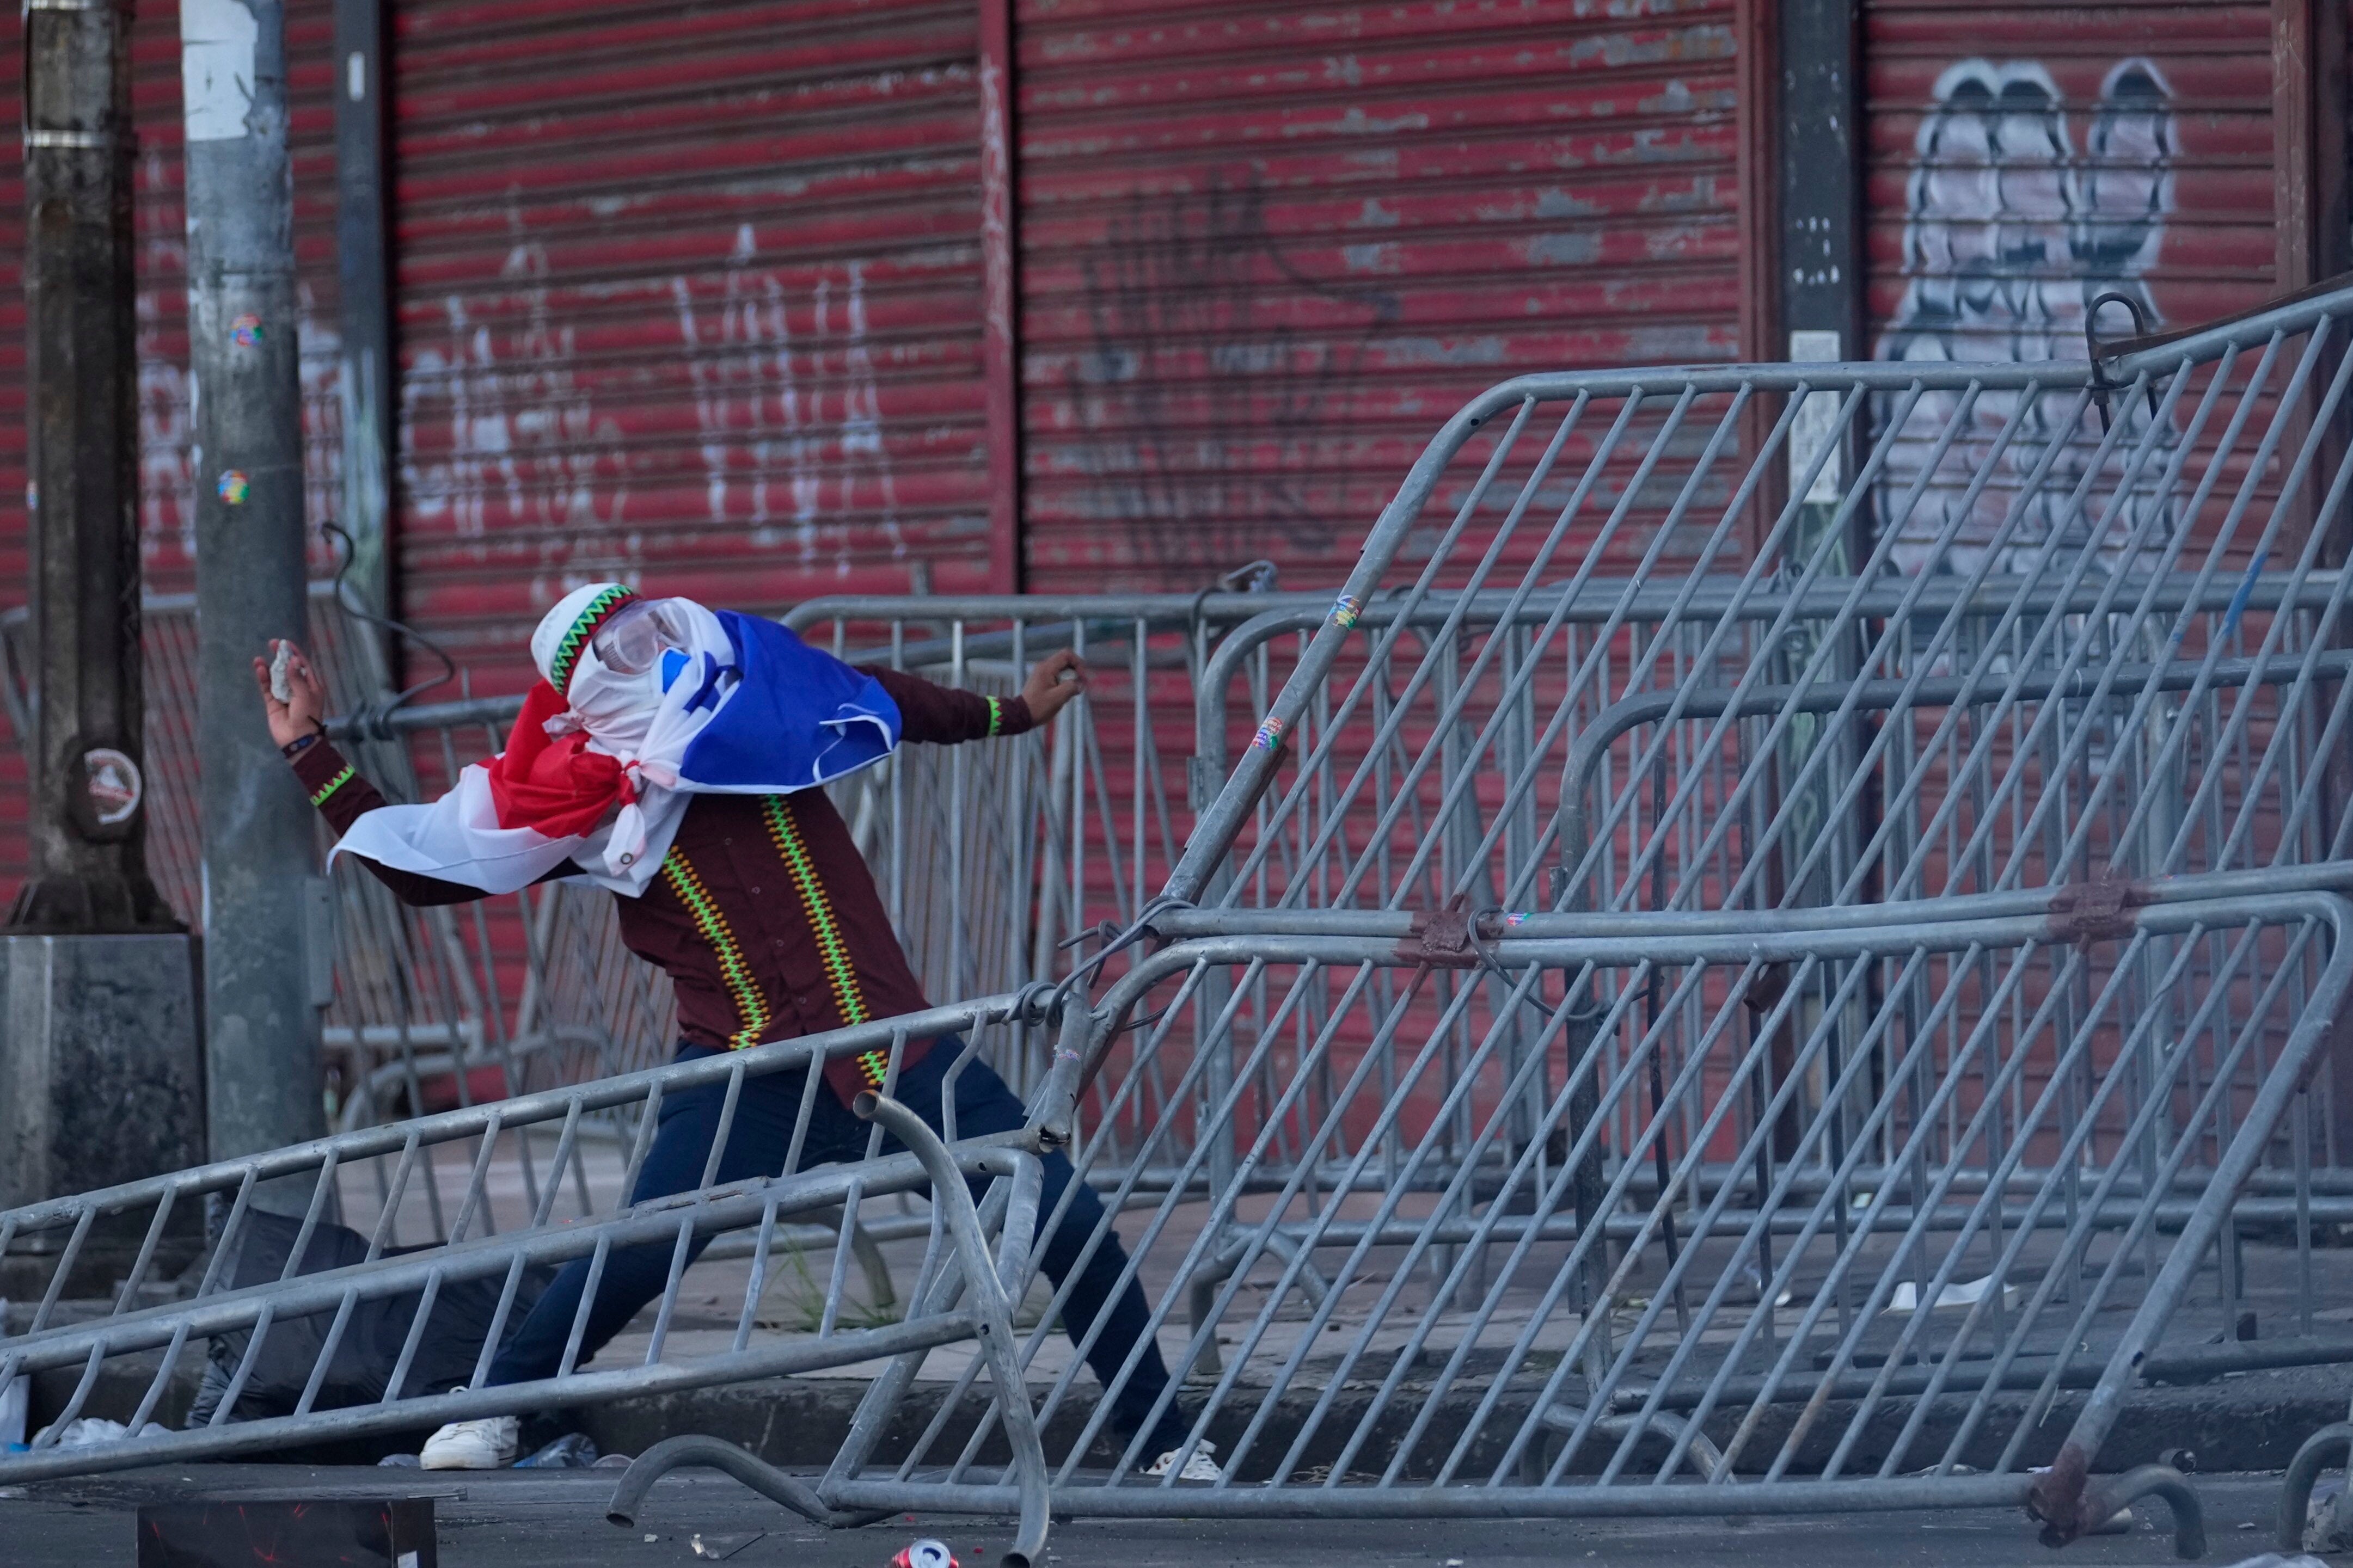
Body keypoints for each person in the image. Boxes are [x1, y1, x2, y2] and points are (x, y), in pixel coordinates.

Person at [256, 584, 1212, 1478]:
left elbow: (881, 699)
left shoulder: (760, 716)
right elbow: (432, 866)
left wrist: (1013, 711)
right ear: (585, 687)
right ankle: (500, 1406)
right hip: (743, 1070)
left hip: (895, 1048)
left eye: (654, 628)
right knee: (638, 1249)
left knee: (1068, 1223)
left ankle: (1164, 1440)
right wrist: (312, 752)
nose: (659, 653)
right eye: (625, 648)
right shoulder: (579, 803)